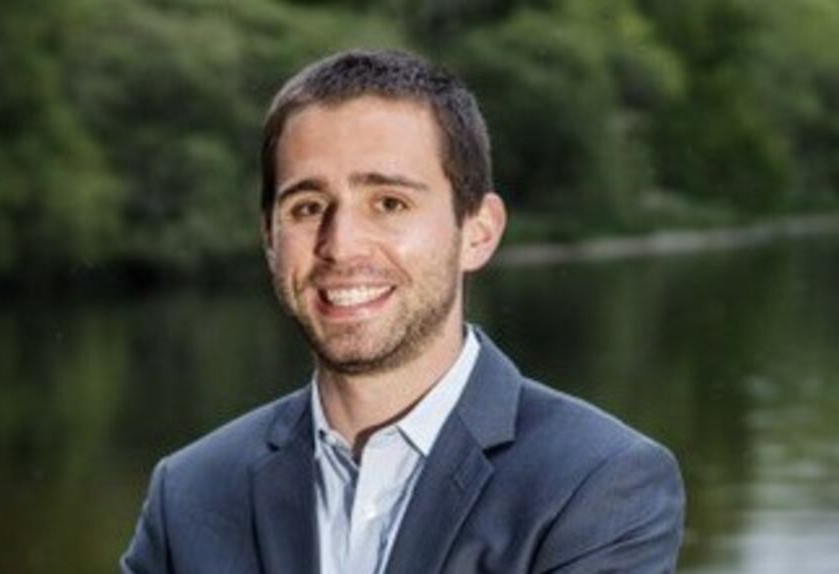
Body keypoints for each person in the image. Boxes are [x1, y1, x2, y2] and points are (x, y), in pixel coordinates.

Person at [121, 49, 685, 574]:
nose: (341, 245)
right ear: (270, 237)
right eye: (308, 207)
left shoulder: (599, 483)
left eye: (389, 203)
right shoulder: (188, 494)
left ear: (478, 232)